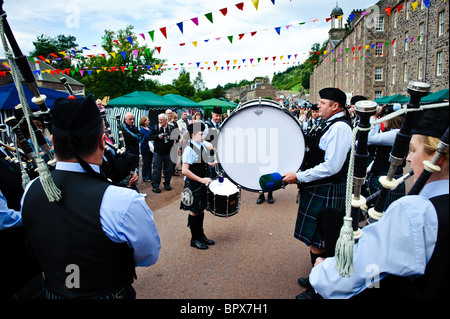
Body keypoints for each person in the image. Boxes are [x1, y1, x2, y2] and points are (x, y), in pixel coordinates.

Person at [20, 95, 160, 299]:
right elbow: (149, 256)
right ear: (103, 142)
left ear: (52, 141)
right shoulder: (122, 201)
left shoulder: (31, 189)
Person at [302, 106, 449, 299]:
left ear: (437, 159)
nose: (409, 158)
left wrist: (321, 271)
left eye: (413, 150)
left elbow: (360, 270)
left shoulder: (417, 212)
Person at [282, 88, 352, 297]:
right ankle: (317, 278)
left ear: (335, 106)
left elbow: (332, 166)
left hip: (328, 188)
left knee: (323, 240)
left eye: (322, 102)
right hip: (320, 187)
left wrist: (300, 176)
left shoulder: (340, 128)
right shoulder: (330, 124)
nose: (318, 105)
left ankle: (319, 288)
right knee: (317, 240)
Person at [180, 122, 217, 250]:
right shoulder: (189, 149)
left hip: (201, 184)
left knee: (200, 209)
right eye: (201, 134)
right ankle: (194, 239)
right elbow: (184, 170)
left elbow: (202, 160)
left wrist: (212, 164)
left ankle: (201, 235)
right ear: (192, 135)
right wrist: (201, 180)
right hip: (194, 184)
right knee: (194, 211)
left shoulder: (200, 145)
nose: (203, 136)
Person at [364, 105, 406, 211]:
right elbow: (380, 154)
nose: (382, 121)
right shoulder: (392, 133)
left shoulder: (396, 134)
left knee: (383, 212)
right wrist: (369, 169)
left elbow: (369, 138)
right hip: (382, 175)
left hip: (389, 177)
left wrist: (373, 118)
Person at [150, 113, 174, 193]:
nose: (160, 121)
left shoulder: (171, 127)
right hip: (158, 152)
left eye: (162, 120)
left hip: (168, 152)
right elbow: (149, 137)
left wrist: (169, 137)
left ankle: (167, 184)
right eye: (159, 119)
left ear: (166, 120)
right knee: (156, 169)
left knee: (168, 169)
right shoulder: (155, 127)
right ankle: (155, 186)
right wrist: (157, 136)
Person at [121, 112, 143, 192]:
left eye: (133, 119)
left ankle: (134, 189)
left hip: (136, 154)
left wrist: (137, 137)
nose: (132, 121)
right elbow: (137, 137)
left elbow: (141, 137)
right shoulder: (123, 129)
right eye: (130, 119)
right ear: (125, 119)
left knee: (135, 174)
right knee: (129, 175)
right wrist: (137, 136)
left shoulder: (134, 127)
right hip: (128, 154)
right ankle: (130, 190)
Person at [139, 116, 153, 183]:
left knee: (149, 162)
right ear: (144, 121)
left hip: (150, 148)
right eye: (147, 120)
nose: (149, 121)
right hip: (145, 148)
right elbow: (147, 137)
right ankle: (145, 176)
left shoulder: (149, 128)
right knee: (146, 162)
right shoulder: (142, 130)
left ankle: (149, 176)